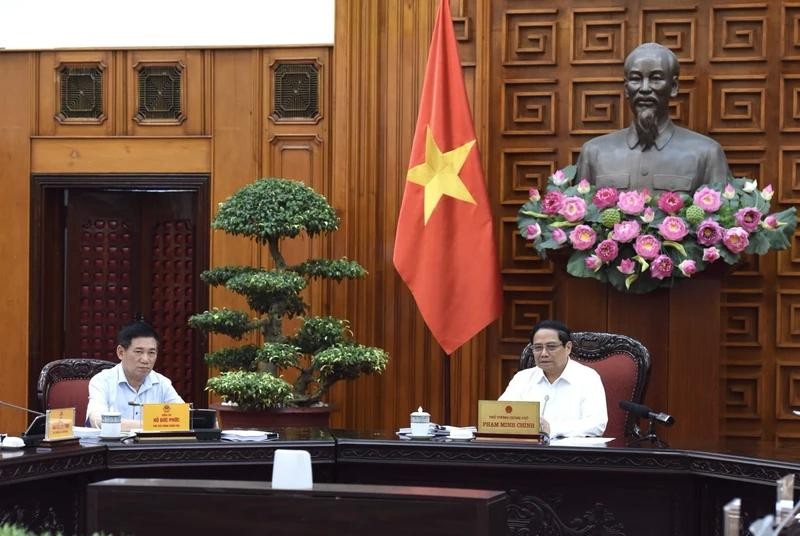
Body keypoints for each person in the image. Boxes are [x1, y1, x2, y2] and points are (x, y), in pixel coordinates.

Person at [576, 42, 730, 192]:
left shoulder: (707, 153)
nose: (644, 89)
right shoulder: (594, 152)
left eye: (656, 78)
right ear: (626, 88)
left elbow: (724, 215)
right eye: (636, 79)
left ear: (674, 87)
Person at [499, 320, 607, 437]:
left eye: (551, 347)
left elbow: (596, 424)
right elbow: (502, 415)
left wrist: (552, 429)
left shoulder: (588, 378)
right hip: (527, 451)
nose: (544, 353)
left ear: (568, 348)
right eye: (538, 347)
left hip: (570, 453)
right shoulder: (522, 378)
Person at [86, 321, 183, 431]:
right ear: (121, 352)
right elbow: (97, 421)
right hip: (114, 447)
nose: (145, 360)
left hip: (150, 447)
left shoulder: (162, 383)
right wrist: (155, 424)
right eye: (138, 352)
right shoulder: (102, 381)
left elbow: (184, 419)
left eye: (151, 353)